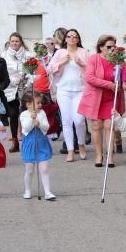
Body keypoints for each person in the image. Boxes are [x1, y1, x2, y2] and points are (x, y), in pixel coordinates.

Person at [78, 35, 126, 168]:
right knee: (96, 126)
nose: (112, 49)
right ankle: (99, 155)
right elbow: (89, 77)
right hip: (96, 99)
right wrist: (109, 84)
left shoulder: (118, 60)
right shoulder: (94, 59)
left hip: (111, 99)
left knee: (109, 125)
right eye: (109, 47)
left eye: (114, 46)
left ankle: (110, 156)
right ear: (101, 47)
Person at [47, 29, 89, 162]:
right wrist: (61, 63)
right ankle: (70, 150)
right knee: (66, 121)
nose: (72, 38)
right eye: (69, 36)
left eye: (75, 36)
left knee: (79, 120)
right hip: (63, 90)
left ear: (78, 39)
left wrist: (82, 64)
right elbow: (49, 69)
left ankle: (81, 144)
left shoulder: (84, 52)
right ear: (65, 39)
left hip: (80, 90)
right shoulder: (60, 52)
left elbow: (91, 70)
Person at [20, 91, 56, 200]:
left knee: (44, 168)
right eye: (38, 102)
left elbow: (46, 127)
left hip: (41, 143)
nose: (41, 105)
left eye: (41, 102)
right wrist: (32, 119)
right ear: (28, 104)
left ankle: (47, 192)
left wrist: (39, 123)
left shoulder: (42, 113)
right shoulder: (24, 114)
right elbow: (26, 128)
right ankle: (27, 190)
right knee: (30, 170)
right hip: (30, 144)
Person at [2, 33, 28, 153]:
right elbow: (2, 73)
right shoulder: (4, 56)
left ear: (21, 42)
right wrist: (13, 80)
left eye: (17, 41)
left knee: (26, 114)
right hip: (10, 89)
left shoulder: (28, 55)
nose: (14, 43)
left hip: (25, 88)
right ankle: (14, 141)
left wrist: (25, 79)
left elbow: (32, 70)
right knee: (12, 115)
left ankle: (28, 140)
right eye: (12, 41)